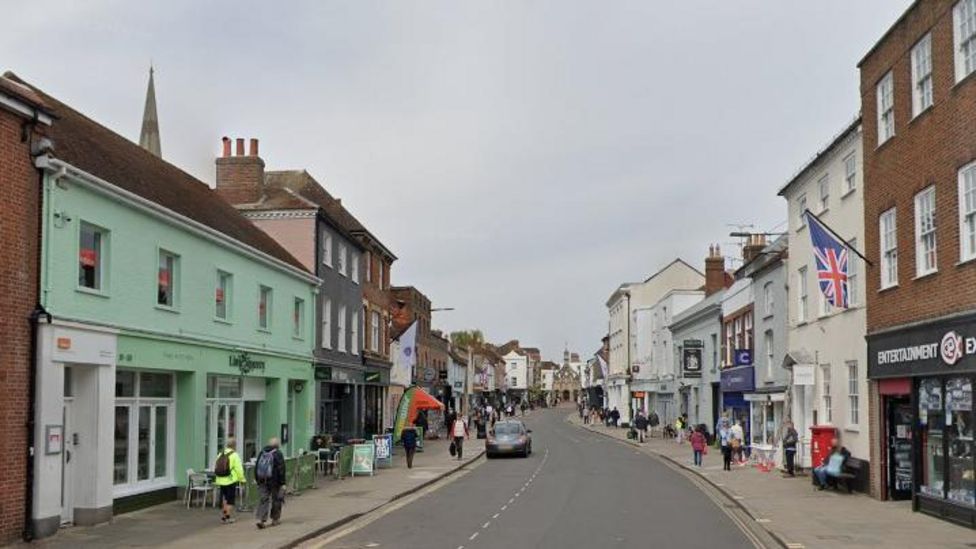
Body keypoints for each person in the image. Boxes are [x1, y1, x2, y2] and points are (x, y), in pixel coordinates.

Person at [254, 437, 286, 529]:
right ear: (277, 445)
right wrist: (283, 483)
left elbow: (257, 466)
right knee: (276, 499)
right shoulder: (278, 454)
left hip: (262, 479)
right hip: (274, 481)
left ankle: (261, 520)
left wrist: (257, 479)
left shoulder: (262, 452)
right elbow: (281, 469)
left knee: (263, 499)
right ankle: (275, 519)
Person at [213, 437, 245, 524]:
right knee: (230, 500)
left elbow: (216, 466)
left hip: (220, 480)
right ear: (234, 445)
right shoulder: (235, 455)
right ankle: (227, 517)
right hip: (230, 480)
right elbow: (239, 469)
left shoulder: (220, 454)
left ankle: (224, 516)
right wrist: (242, 479)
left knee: (225, 498)